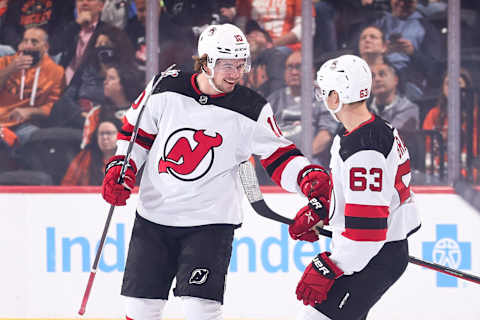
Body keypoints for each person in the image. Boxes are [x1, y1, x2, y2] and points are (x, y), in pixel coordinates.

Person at [101, 23, 331, 320]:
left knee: (201, 311)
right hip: (154, 217)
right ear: (206, 61)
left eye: (241, 64)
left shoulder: (252, 108)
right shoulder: (165, 86)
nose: (235, 73)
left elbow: (278, 156)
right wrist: (123, 165)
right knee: (140, 308)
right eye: (226, 65)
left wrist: (307, 178)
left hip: (210, 224)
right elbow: (137, 135)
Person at [288, 54, 421, 320]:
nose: (322, 98)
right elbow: (364, 198)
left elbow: (367, 232)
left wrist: (330, 266)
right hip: (373, 251)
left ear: (336, 97)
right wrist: (325, 210)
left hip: (374, 255)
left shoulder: (364, 148)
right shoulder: (366, 131)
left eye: (323, 92)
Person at [0, 27, 65, 148]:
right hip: (1, 120)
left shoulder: (56, 72)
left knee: (38, 142)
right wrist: (9, 70)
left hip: (26, 126)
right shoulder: (6, 62)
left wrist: (30, 111)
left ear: (45, 47)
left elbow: (55, 107)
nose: (28, 46)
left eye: (34, 42)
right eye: (25, 41)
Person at [422, 69, 479, 182]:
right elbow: (426, 146)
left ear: (466, 89)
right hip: (435, 170)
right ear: (443, 88)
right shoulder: (433, 114)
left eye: (458, 84)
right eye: (448, 83)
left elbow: (474, 151)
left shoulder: (475, 115)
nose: (453, 88)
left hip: (467, 173)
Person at [62, 117, 121, 185]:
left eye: (109, 133)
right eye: (101, 134)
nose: (105, 137)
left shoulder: (131, 157)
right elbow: (68, 184)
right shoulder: (86, 156)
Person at [370, 60, 419, 131]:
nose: (377, 79)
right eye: (372, 76)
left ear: (395, 80)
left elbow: (390, 136)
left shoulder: (409, 108)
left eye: (382, 74)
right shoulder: (363, 107)